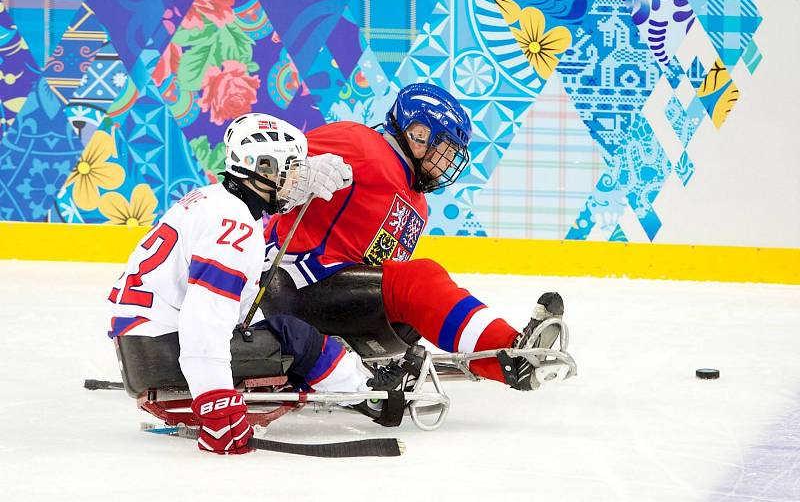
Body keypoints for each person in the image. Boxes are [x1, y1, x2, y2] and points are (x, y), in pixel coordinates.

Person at [106, 113, 415, 455]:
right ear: (264, 169)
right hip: (165, 350)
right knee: (296, 337)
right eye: (293, 169)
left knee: (268, 323)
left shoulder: (212, 200)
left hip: (143, 344)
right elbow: (204, 319)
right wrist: (215, 401)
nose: (298, 179)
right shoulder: (234, 227)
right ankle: (367, 393)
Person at [260, 83, 567, 392]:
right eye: (444, 151)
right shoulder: (359, 143)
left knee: (409, 319)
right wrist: (300, 174)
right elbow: (264, 161)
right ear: (418, 134)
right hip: (289, 283)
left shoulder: (417, 202)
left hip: (333, 297)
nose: (447, 164)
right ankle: (511, 355)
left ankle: (349, 368)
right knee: (420, 280)